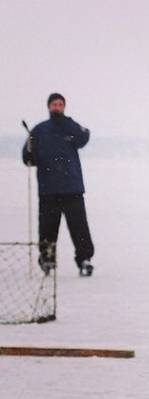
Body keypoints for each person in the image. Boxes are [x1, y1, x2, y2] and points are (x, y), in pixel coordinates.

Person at [22, 93, 95, 277]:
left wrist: (67, 122)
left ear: (64, 106)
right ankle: (47, 259)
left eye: (60, 104)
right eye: (54, 104)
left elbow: (83, 138)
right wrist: (30, 152)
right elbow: (28, 158)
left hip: (72, 188)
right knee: (47, 227)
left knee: (79, 227)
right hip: (49, 189)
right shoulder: (39, 130)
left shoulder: (71, 127)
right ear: (49, 107)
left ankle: (84, 259)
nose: (57, 107)